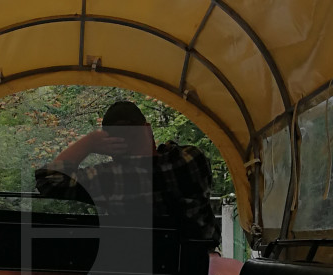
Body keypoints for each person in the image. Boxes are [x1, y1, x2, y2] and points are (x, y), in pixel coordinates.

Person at [35, 100, 218, 244]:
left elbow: (48, 180)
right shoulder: (193, 159)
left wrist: (89, 143)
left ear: (111, 143)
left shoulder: (109, 178)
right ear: (147, 129)